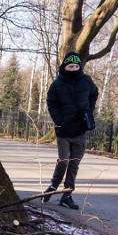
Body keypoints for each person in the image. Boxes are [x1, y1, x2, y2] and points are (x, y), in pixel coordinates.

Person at [42, 52, 99, 209]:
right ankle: (53, 186)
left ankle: (67, 195)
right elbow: (51, 103)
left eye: (76, 66)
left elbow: (94, 94)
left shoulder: (86, 81)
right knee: (64, 161)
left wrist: (89, 110)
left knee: (74, 164)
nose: (73, 69)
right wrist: (59, 120)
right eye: (70, 66)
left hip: (81, 131)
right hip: (64, 131)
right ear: (64, 67)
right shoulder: (57, 85)